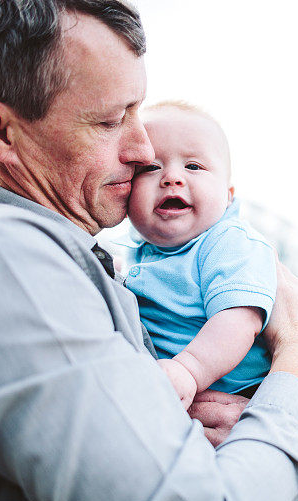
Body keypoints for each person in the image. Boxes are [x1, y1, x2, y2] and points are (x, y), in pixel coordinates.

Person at [0, 1, 298, 501]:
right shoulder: (3, 265)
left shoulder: (44, 260)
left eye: (137, 111)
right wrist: (296, 360)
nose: (144, 149)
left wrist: (208, 443)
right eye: (109, 120)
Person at [120, 101, 276, 406]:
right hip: (166, 392)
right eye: (151, 167)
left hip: (231, 394)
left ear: (228, 197)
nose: (172, 178)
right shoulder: (135, 252)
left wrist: (189, 369)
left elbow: (239, 320)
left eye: (194, 166)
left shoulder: (228, 242)